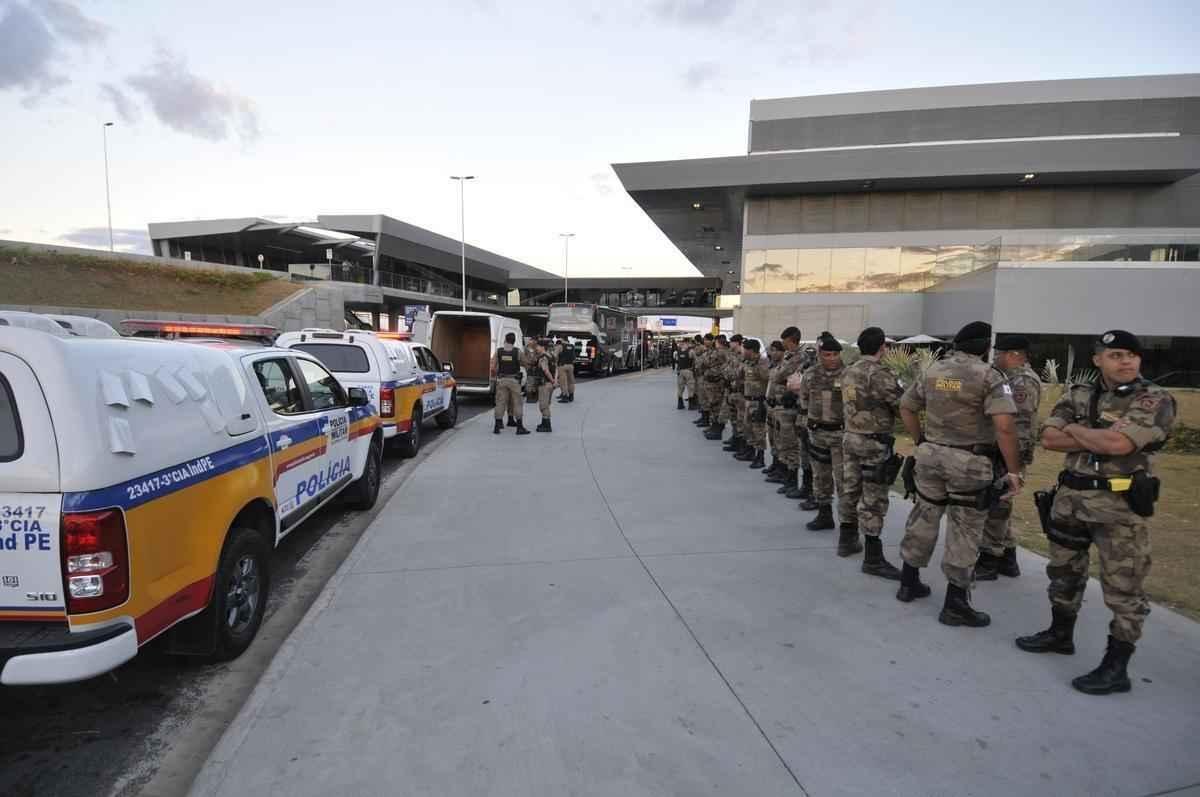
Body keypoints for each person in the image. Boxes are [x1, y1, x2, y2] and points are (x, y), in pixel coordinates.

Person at [1016, 330, 1175, 695]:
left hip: (1119, 508)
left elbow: (1119, 444)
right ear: (1098, 359)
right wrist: (1091, 434)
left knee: (1123, 587)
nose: (1126, 361)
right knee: (1063, 572)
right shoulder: (1079, 393)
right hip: (1071, 499)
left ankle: (1116, 667)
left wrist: (1074, 428)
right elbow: (1049, 438)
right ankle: (1060, 634)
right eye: (1116, 354)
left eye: (1132, 355)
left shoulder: (1152, 398)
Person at [896, 321, 1022, 628]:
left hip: (930, 457)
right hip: (969, 461)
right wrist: (1014, 470)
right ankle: (955, 603)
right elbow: (1005, 427)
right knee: (965, 528)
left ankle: (908, 582)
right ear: (985, 346)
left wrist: (921, 441)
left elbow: (906, 407)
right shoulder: (990, 375)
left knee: (924, 515)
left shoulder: (933, 371)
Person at [976, 335, 1041, 580]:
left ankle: (990, 560)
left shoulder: (1021, 381)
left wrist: (1013, 460)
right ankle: (1008, 559)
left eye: (999, 354)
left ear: (1015, 354)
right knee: (1001, 504)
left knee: (997, 505)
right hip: (1004, 450)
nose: (995, 358)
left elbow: (1019, 424)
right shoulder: (1008, 377)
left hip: (1010, 452)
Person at [841, 327, 904, 575]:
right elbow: (901, 405)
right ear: (882, 348)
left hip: (850, 438)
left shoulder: (849, 371)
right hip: (873, 443)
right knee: (873, 498)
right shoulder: (880, 374)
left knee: (850, 488)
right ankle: (873, 557)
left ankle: (846, 539)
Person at [796, 333, 851, 533]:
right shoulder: (811, 375)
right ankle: (824, 515)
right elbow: (803, 401)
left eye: (835, 354)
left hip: (841, 436)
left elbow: (854, 404)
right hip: (817, 434)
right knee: (821, 477)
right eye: (827, 354)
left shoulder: (848, 375)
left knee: (844, 480)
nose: (832, 358)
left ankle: (848, 524)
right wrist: (803, 426)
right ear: (820, 355)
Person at [766, 327, 804, 494]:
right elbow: (776, 376)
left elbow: (778, 375)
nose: (783, 344)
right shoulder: (789, 356)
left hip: (790, 407)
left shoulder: (798, 357)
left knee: (790, 444)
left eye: (785, 341)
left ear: (791, 340)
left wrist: (778, 374)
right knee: (781, 441)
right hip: (780, 405)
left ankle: (791, 479)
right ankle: (784, 473)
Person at [738, 339, 770, 469]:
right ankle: (750, 451)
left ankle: (760, 457)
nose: (743, 352)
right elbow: (740, 376)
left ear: (751, 350)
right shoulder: (747, 362)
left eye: (745, 349)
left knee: (759, 430)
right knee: (748, 428)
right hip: (748, 400)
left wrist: (757, 365)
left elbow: (766, 377)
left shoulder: (762, 362)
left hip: (758, 401)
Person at [490, 332, 530, 435]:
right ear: (514, 341)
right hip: (514, 381)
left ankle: (497, 426)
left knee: (500, 402)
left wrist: (497, 375)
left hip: (502, 380)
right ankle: (520, 427)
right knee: (517, 403)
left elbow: (492, 367)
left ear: (505, 340)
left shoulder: (499, 351)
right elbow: (526, 364)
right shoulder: (517, 352)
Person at [762, 341, 786, 475]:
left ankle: (781, 467)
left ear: (782, 352)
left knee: (780, 439)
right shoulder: (773, 366)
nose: (773, 353)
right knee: (772, 437)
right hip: (770, 405)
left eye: (776, 350)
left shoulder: (785, 367)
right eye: (772, 350)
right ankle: (775, 463)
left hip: (780, 406)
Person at [719, 335, 745, 450]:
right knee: (733, 417)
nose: (730, 344)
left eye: (732, 342)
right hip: (731, 388)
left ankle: (739, 442)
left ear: (737, 343)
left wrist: (728, 373)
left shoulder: (742, 355)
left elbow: (737, 373)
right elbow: (725, 368)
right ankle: (735, 437)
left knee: (740, 419)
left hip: (739, 390)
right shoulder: (732, 354)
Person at [703, 335, 732, 440]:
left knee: (716, 405)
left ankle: (717, 429)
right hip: (715, 381)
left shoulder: (721, 352)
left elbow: (708, 362)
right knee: (713, 405)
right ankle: (714, 426)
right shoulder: (720, 352)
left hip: (718, 383)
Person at [533, 339, 557, 432]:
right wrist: (554, 381)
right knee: (547, 404)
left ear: (542, 347)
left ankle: (547, 426)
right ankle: (543, 422)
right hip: (550, 385)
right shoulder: (552, 356)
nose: (536, 348)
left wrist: (552, 380)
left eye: (538, 346)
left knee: (543, 406)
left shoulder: (543, 357)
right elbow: (556, 369)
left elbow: (546, 370)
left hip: (544, 384)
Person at [693, 335, 715, 427]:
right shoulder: (706, 350)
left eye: (706, 340)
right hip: (701, 375)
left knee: (707, 399)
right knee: (702, 398)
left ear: (711, 341)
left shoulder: (711, 351)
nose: (704, 341)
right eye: (704, 340)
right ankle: (704, 417)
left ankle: (707, 420)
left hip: (707, 377)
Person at [676, 338, 696, 410]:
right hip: (689, 371)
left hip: (680, 371)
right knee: (691, 388)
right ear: (688, 342)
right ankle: (691, 405)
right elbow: (695, 360)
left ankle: (680, 404)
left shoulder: (678, 351)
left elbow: (677, 360)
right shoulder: (691, 351)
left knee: (680, 388)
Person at [556, 338, 576, 403]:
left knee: (563, 382)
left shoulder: (560, 346)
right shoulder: (572, 346)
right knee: (571, 381)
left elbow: (555, 356)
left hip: (562, 366)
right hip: (571, 366)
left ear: (562, 340)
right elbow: (574, 358)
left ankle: (565, 397)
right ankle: (571, 396)